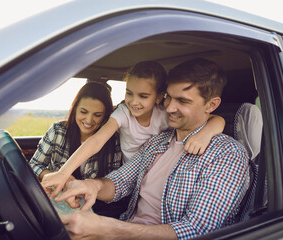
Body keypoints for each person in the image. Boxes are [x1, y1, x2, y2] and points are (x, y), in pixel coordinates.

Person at [56, 58, 251, 239]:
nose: (169, 107)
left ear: (212, 105)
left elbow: (197, 229)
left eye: (182, 101)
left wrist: (109, 229)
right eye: (168, 97)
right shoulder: (157, 142)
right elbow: (121, 181)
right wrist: (92, 186)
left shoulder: (227, 154)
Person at [42, 60, 225, 199]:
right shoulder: (124, 113)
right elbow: (96, 140)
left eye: (143, 96)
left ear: (159, 97)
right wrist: (63, 173)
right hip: (127, 175)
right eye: (129, 93)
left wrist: (206, 133)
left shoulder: (165, 114)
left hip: (152, 176)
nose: (134, 102)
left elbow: (217, 119)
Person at [29, 81, 126, 216]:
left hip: (92, 208)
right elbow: (33, 165)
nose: (88, 120)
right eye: (83, 112)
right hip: (54, 201)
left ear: (106, 116)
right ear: (74, 109)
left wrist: (84, 187)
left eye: (97, 115)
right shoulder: (57, 131)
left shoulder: (113, 142)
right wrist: (59, 179)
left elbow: (113, 182)